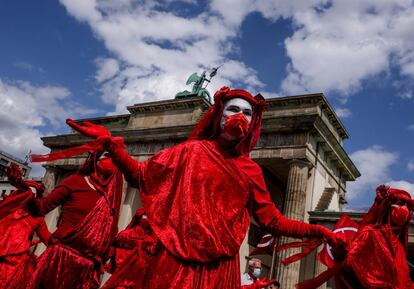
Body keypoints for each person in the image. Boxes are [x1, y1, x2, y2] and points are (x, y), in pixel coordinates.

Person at [69, 86, 338, 289]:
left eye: (247, 113)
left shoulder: (251, 170)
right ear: (219, 115)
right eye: (233, 109)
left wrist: (317, 230)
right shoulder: (189, 151)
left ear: (253, 123)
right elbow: (141, 176)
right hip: (175, 262)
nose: (240, 116)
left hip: (220, 268)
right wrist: (114, 148)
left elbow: (272, 221)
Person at [27, 147, 123, 289]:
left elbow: (110, 233)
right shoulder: (75, 181)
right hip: (61, 259)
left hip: (87, 269)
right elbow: (42, 208)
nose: (112, 161)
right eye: (108, 155)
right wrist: (24, 190)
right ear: (95, 159)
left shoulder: (111, 196)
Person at [296, 185, 414, 289]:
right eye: (402, 204)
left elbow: (404, 280)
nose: (406, 210)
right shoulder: (371, 234)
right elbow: (353, 262)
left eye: (409, 206)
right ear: (388, 206)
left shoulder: (399, 246)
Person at [0, 164, 50, 289]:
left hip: (16, 263)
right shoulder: (9, 208)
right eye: (26, 194)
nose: (29, 197)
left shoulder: (37, 219)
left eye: (33, 195)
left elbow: (49, 239)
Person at [102, 208, 157, 289]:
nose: (146, 219)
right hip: (124, 277)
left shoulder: (150, 239)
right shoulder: (129, 233)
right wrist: (138, 243)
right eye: (144, 216)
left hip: (139, 279)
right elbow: (118, 240)